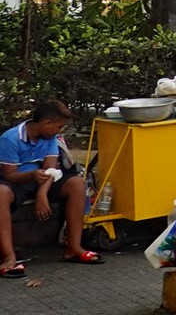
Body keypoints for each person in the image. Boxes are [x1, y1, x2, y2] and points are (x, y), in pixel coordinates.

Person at [0, 100, 104, 278]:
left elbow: (51, 169)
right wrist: (32, 176)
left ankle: (74, 248)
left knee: (76, 184)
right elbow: (10, 174)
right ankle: (8, 257)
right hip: (17, 180)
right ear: (46, 123)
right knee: (1, 193)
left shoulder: (50, 138)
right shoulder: (10, 139)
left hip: (43, 179)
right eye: (59, 127)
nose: (59, 131)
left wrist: (42, 193)